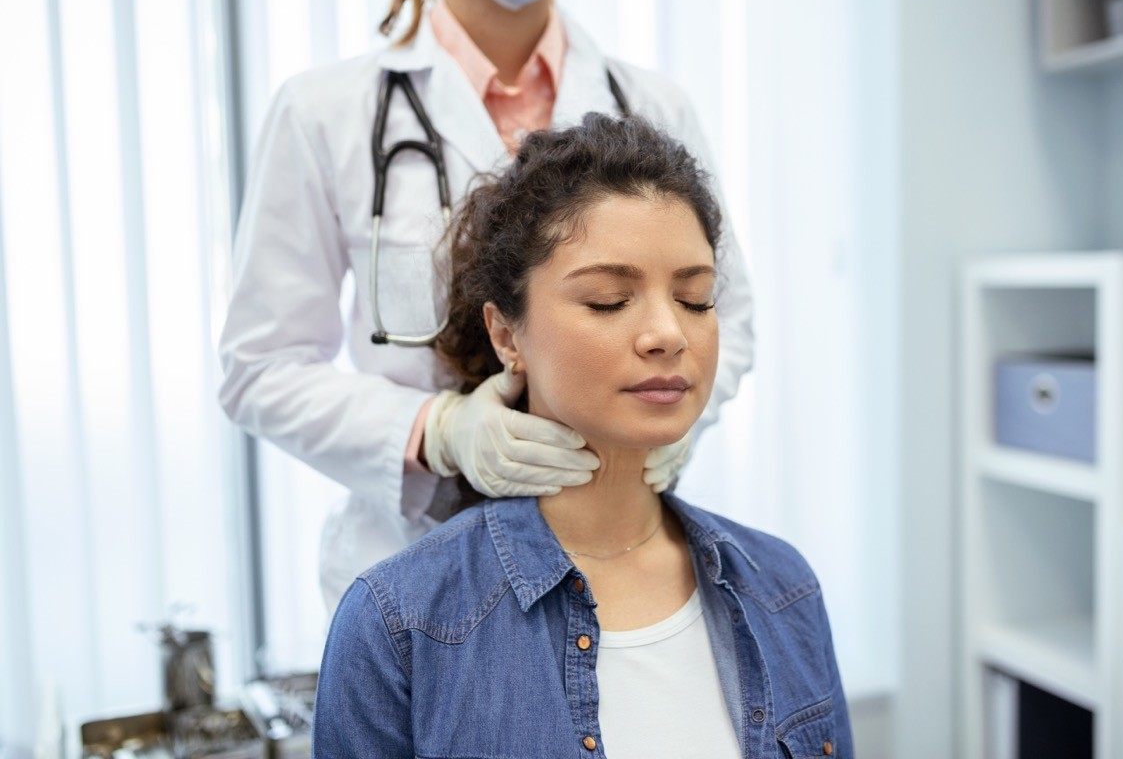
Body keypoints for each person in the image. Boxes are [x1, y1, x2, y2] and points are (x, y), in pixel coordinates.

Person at [217, 0, 754, 613]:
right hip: (416, 565)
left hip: (615, 562)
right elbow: (261, 367)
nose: (665, 327)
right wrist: (437, 430)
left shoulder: (651, 106)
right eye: (609, 301)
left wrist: (671, 430)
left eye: (683, 303)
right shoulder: (324, 113)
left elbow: (730, 314)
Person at [311, 114, 852, 758]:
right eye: (607, 301)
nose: (668, 334)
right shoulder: (400, 626)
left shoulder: (783, 587)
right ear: (508, 335)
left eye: (696, 299)